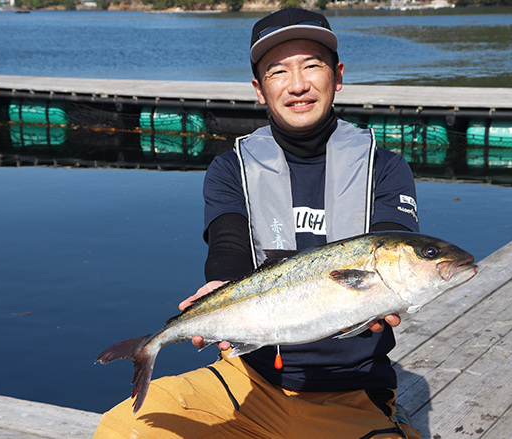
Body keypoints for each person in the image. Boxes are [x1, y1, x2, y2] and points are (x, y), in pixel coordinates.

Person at [94, 8, 421, 439]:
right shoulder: (231, 169)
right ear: (259, 89)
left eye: (312, 65)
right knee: (122, 428)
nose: (298, 84)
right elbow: (227, 245)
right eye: (277, 71)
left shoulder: (385, 167)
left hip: (349, 392)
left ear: (337, 76)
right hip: (247, 379)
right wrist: (220, 286)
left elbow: (396, 245)